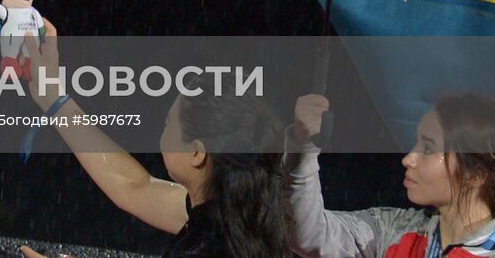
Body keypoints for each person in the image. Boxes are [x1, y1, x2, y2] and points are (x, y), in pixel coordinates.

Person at [19, 22, 292, 258]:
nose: (162, 132)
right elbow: (133, 185)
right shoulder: (246, 217)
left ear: (197, 153)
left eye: (168, 124)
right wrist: (52, 98)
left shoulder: (205, 246)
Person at [288, 93, 495, 258]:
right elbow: (308, 233)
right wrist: (303, 143)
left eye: (428, 148)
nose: (408, 158)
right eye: (415, 143)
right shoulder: (392, 229)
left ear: (475, 174)